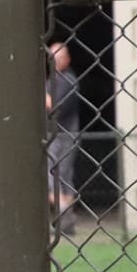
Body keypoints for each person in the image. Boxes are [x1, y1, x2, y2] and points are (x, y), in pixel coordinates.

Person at [47, 38, 82, 224]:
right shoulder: (53, 80)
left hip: (64, 136)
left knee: (57, 177)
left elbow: (54, 106)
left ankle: (65, 214)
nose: (55, 61)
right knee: (58, 179)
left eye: (59, 57)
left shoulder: (66, 80)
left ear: (67, 59)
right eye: (52, 57)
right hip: (55, 135)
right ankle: (66, 216)